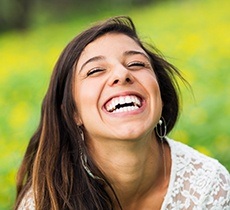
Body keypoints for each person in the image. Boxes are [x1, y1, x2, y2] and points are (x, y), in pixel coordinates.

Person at [14, 16, 230, 210]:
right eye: (95, 70)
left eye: (136, 63)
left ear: (160, 96)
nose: (122, 73)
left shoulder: (209, 186)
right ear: (73, 112)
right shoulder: (45, 202)